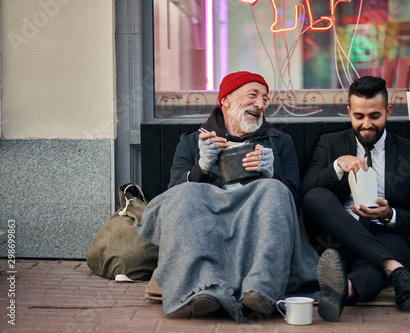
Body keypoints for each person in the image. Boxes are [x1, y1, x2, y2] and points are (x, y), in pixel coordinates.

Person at [137, 71, 319, 323]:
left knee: (275, 190)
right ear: (226, 101)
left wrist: (271, 173)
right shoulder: (192, 142)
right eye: (253, 95)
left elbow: (293, 198)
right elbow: (174, 194)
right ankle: (204, 289)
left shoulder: (279, 142)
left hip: (255, 219)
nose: (260, 104)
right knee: (186, 194)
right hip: (208, 219)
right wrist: (202, 165)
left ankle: (261, 290)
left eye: (264, 99)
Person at [300, 76, 410, 322]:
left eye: (374, 116)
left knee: (372, 263)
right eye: (359, 116)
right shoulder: (329, 144)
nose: (366, 124)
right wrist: (338, 166)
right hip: (340, 233)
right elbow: (306, 194)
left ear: (388, 111)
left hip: (389, 234)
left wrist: (389, 215)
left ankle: (343, 290)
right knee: (316, 196)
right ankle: (395, 269)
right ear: (349, 111)